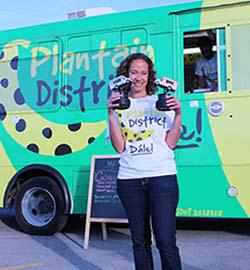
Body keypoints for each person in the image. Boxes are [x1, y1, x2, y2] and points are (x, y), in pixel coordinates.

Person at [107, 53, 182, 270]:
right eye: (134, 72)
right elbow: (119, 147)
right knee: (140, 244)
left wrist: (178, 114)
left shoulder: (160, 102)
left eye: (143, 73)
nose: (139, 77)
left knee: (166, 242)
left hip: (162, 179)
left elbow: (171, 143)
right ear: (126, 75)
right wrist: (111, 113)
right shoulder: (119, 104)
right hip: (130, 180)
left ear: (149, 76)